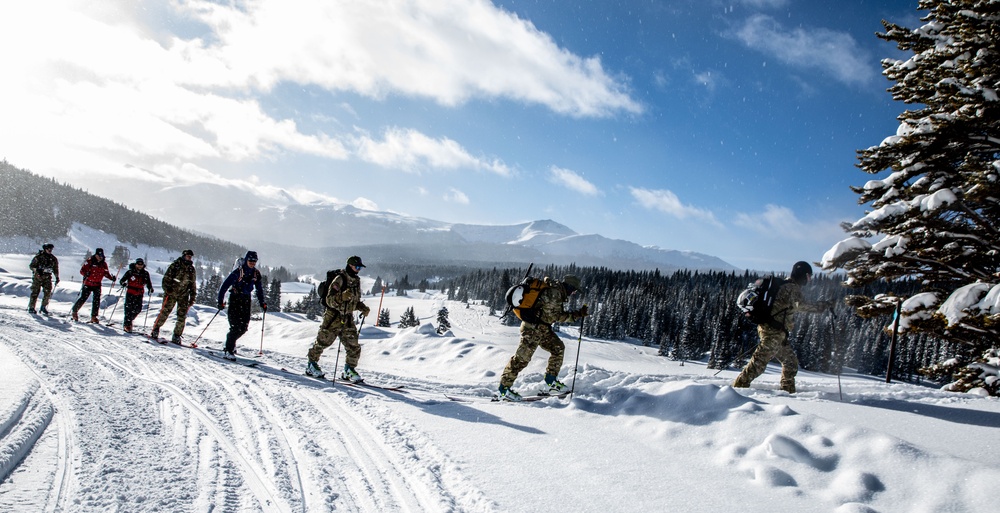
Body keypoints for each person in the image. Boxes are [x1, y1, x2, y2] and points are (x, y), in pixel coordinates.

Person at [732, 261, 831, 394]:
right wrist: (821, 307)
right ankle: (735, 391)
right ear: (802, 275)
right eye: (808, 276)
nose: (809, 280)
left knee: (791, 363)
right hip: (772, 333)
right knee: (758, 365)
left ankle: (787, 392)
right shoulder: (791, 288)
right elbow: (800, 305)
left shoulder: (785, 284)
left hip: (777, 333)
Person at [498, 274, 589, 401]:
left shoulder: (557, 292)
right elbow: (554, 316)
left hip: (542, 329)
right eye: (574, 290)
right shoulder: (554, 293)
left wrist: (577, 314)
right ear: (569, 286)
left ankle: (551, 382)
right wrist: (576, 315)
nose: (573, 293)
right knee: (521, 359)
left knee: (558, 348)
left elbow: (551, 315)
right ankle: (504, 390)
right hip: (532, 329)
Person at [306, 256, 371, 381]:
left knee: (353, 345)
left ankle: (349, 370)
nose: (358, 270)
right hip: (333, 316)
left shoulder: (356, 281)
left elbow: (353, 301)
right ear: (350, 266)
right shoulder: (339, 279)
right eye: (357, 267)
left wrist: (362, 307)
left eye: (360, 268)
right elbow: (329, 300)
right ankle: (311, 365)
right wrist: (341, 297)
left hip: (347, 317)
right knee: (323, 342)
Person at [217, 251, 267, 360]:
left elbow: (259, 289)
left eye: (254, 261)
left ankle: (231, 343)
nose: (252, 263)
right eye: (250, 260)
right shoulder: (238, 272)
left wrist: (262, 302)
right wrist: (220, 301)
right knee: (235, 326)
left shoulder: (256, 274)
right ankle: (228, 349)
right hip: (235, 299)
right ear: (246, 260)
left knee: (244, 327)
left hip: (246, 300)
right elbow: (224, 286)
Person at [150, 249, 198, 344]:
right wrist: (167, 289)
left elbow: (193, 284)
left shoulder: (191, 269)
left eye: (190, 256)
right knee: (164, 312)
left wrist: (192, 297)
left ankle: (177, 335)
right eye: (188, 256)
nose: (189, 257)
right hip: (171, 294)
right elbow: (166, 278)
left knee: (182, 316)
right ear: (184, 255)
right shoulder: (175, 265)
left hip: (184, 295)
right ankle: (156, 329)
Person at [71, 248, 115, 322]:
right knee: (83, 298)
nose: (100, 257)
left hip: (97, 284)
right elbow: (82, 271)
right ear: (96, 255)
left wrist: (111, 278)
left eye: (102, 255)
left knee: (96, 300)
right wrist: (86, 274)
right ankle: (74, 311)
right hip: (88, 283)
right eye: (99, 255)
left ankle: (94, 316)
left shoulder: (103, 264)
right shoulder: (89, 261)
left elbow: (106, 273)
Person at [118, 258, 154, 333]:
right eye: (138, 264)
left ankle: (129, 320)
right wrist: (123, 284)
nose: (140, 266)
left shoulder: (145, 273)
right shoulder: (130, 272)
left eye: (141, 264)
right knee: (128, 309)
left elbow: (148, 283)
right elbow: (122, 280)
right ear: (135, 264)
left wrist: (150, 288)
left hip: (139, 293)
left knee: (138, 309)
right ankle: (127, 325)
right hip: (130, 292)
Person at [28, 243, 60, 315]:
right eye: (48, 249)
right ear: (45, 249)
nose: (50, 250)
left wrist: (57, 277)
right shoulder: (38, 257)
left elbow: (55, 269)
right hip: (38, 277)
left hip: (47, 278)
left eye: (51, 249)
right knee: (35, 292)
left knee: (47, 292)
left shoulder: (53, 259)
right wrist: (36, 270)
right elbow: (31, 266)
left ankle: (43, 306)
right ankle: (32, 307)